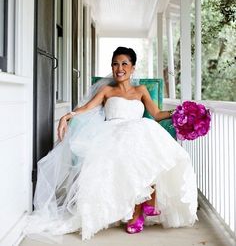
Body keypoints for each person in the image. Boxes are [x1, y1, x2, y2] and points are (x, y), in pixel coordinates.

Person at [25, 47, 198, 241]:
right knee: (124, 153)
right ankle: (137, 210)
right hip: (112, 133)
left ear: (133, 67)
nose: (119, 68)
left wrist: (181, 113)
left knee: (151, 146)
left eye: (124, 63)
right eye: (115, 64)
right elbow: (87, 107)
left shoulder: (141, 90)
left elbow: (157, 115)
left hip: (140, 129)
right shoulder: (107, 90)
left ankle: (147, 200)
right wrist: (68, 115)